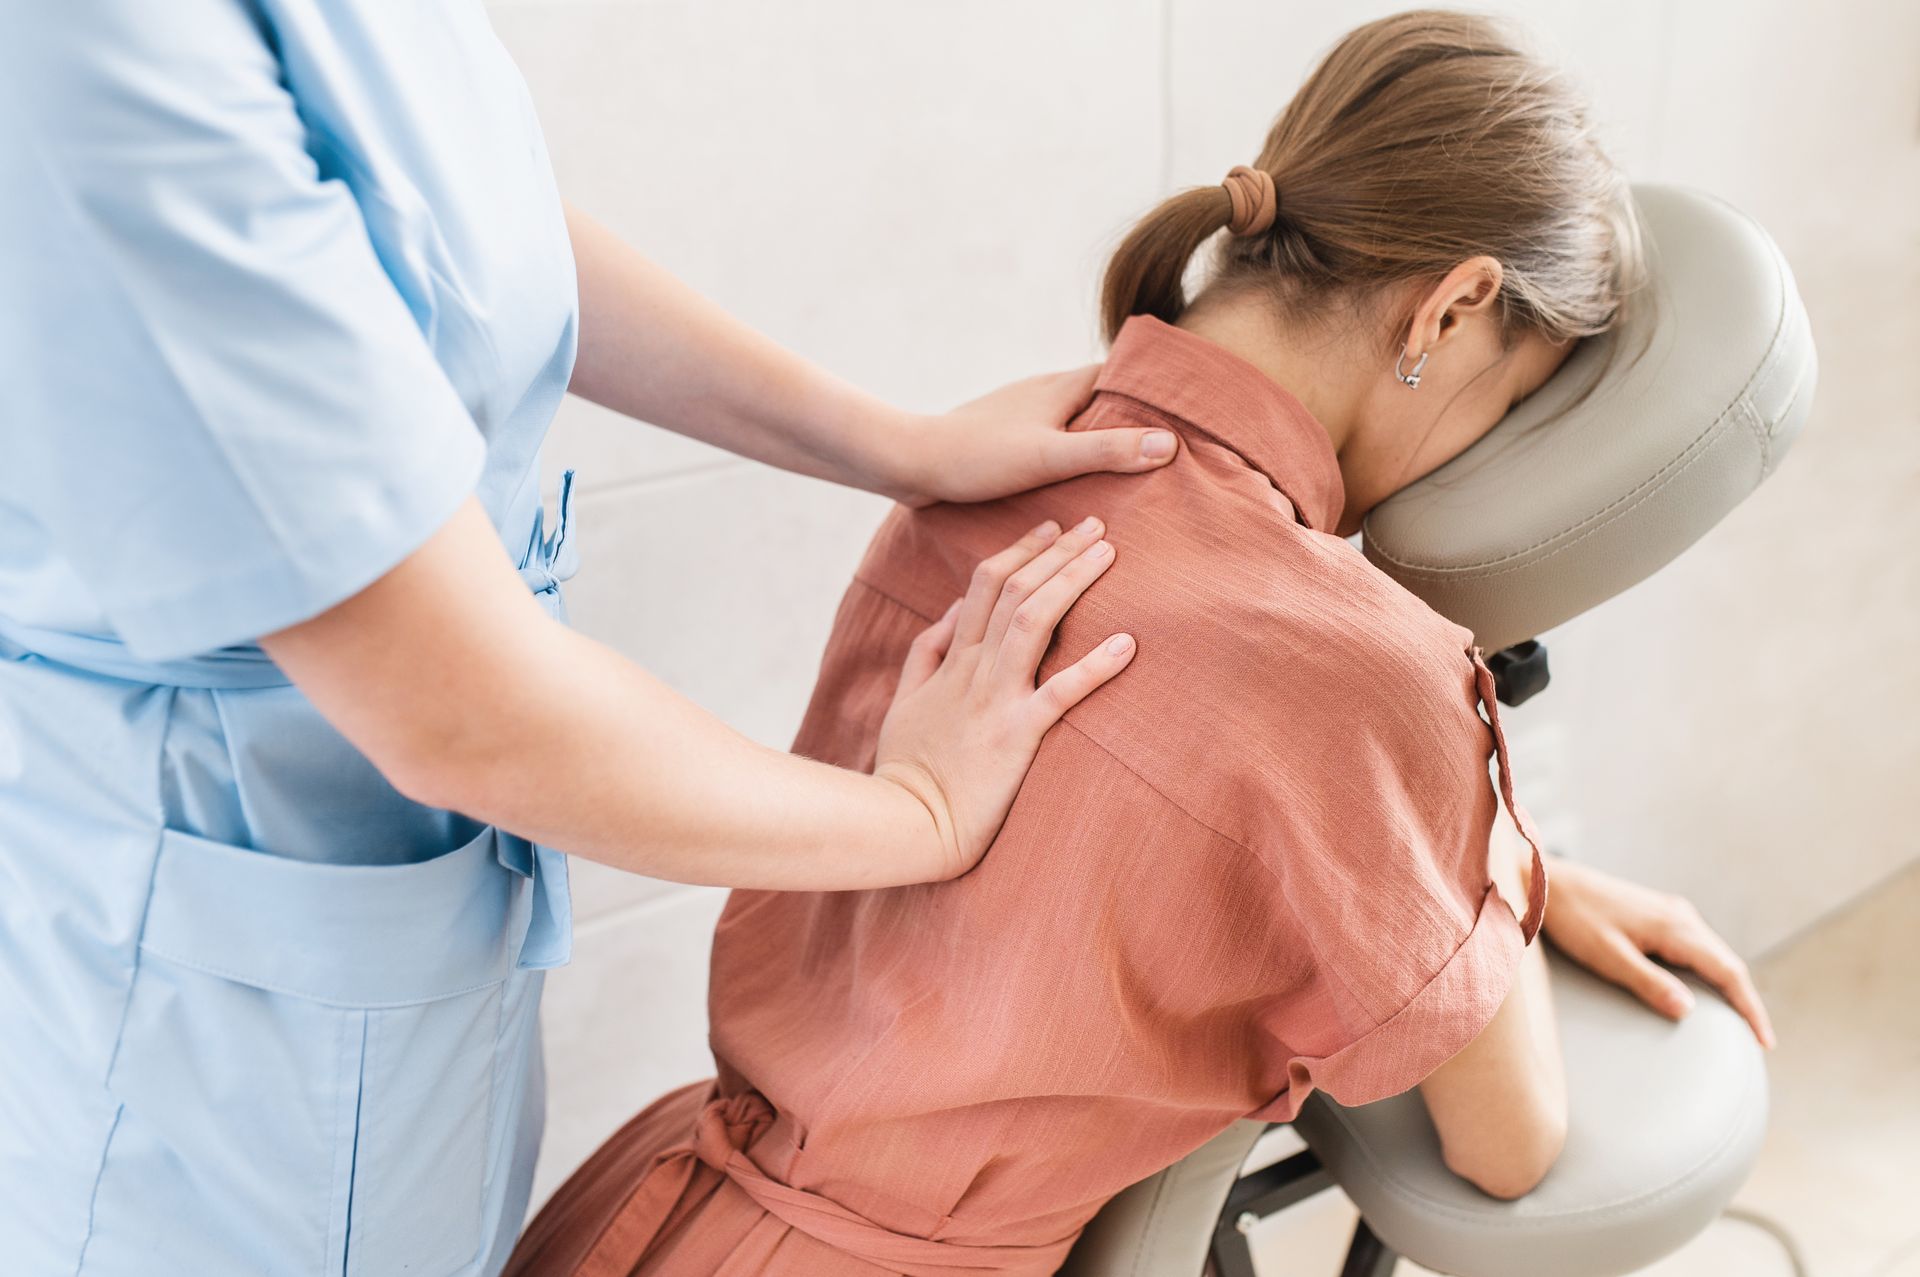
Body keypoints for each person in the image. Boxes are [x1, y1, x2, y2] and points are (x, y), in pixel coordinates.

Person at [510, 13, 1778, 1277]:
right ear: (1452, 310)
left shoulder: (1002, 457)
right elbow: (1512, 1141)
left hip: (639, 1213)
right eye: (1509, 397)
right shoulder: (1365, 673)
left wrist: (1475, 849)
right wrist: (1479, 816)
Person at [0, 4, 1181, 1274]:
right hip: (208, 984)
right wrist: (921, 813)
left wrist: (899, 445)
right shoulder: (89, 48)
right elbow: (459, 709)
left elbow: (458, 235)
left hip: (395, 916)